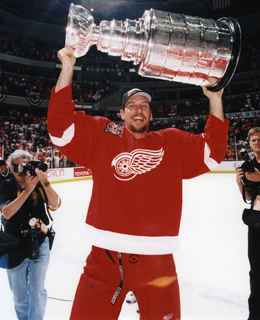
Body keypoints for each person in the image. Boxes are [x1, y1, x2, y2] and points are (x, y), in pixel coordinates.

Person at [47, 46, 229, 320]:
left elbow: (213, 152)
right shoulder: (103, 135)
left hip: (157, 261)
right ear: (121, 114)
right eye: (131, 105)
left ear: (151, 115)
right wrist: (68, 65)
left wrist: (215, 98)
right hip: (106, 257)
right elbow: (59, 128)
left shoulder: (171, 141)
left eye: (144, 106)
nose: (138, 110)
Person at [0, 149, 61, 320]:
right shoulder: (6, 186)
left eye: (26, 166)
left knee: (37, 292)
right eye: (18, 167)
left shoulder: (40, 184)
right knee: (19, 297)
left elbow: (55, 203)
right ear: (11, 169)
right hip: (14, 245)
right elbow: (7, 213)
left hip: (39, 242)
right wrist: (27, 190)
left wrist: (45, 182)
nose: (23, 171)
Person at [236, 127, 260, 320]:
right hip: (257, 222)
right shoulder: (250, 165)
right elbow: (250, 197)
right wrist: (239, 183)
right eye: (254, 140)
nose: (257, 143)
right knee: (256, 271)